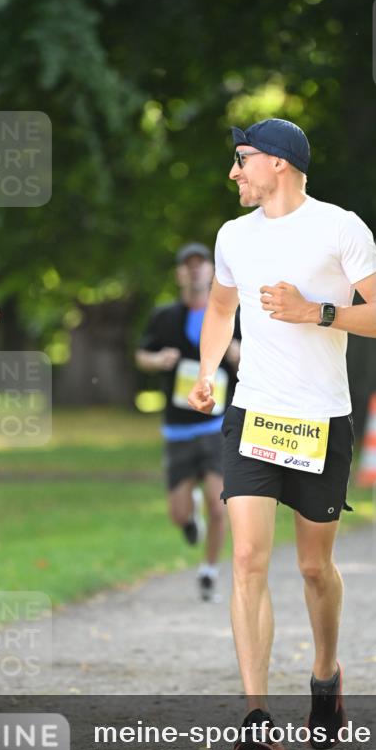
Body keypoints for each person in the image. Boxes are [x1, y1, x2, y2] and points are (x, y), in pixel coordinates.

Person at [187, 118, 376, 750]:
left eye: (242, 160)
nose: (233, 172)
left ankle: (325, 675)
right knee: (248, 560)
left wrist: (318, 311)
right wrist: (205, 373)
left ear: (278, 163)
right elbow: (222, 310)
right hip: (254, 413)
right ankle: (256, 717)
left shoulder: (339, 228)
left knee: (314, 567)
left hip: (321, 422)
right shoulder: (233, 236)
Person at [136, 243, 240, 602]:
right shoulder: (165, 317)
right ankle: (188, 514)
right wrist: (158, 359)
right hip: (178, 428)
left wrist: (233, 351)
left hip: (216, 425)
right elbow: (141, 356)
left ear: (212, 271)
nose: (195, 271)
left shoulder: (230, 312)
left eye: (201, 265)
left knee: (218, 503)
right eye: (188, 266)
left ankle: (209, 571)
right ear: (180, 273)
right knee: (178, 514)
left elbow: (252, 360)